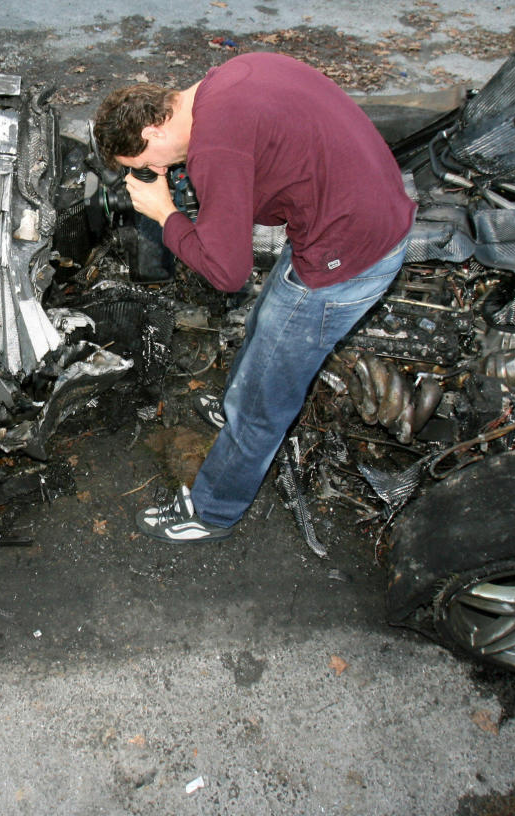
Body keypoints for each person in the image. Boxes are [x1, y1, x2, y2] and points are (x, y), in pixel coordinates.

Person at [93, 52, 415, 543]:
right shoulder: (225, 80)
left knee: (265, 406)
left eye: (142, 164)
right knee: (267, 321)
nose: (152, 171)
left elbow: (227, 273)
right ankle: (233, 402)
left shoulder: (213, 150)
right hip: (359, 209)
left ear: (153, 132)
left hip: (347, 255)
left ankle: (214, 510)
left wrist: (165, 215)